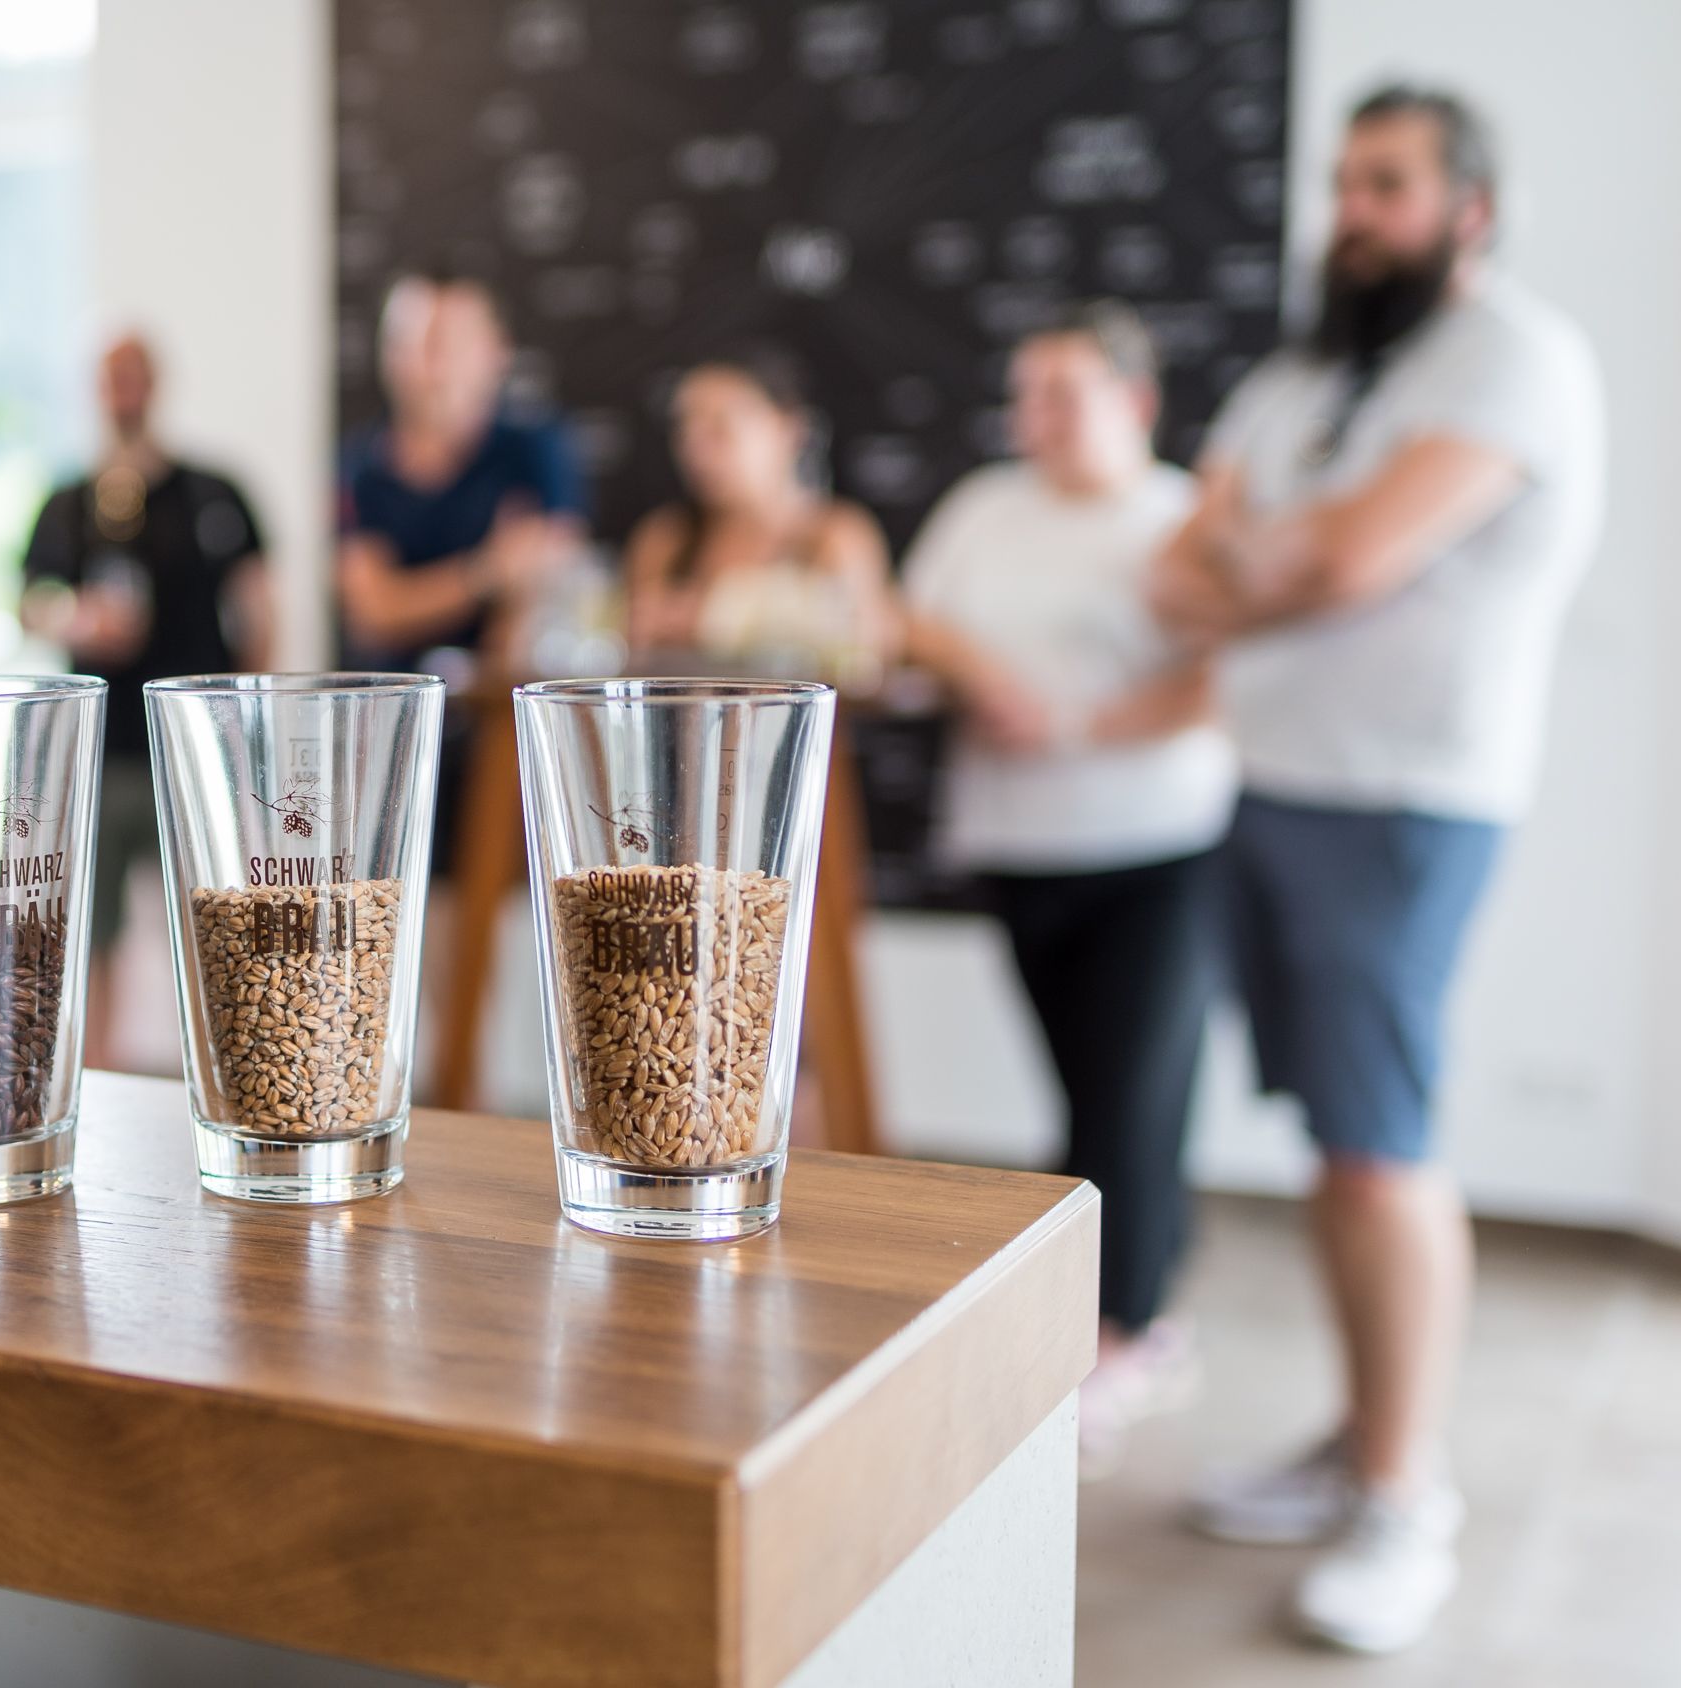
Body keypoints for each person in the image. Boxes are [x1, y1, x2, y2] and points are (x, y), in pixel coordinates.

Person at [1149, 86, 1604, 1654]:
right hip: (1269, 786)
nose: (1353, 209)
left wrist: (1271, 554)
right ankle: (1358, 1443)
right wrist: (1270, 557)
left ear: (1469, 209)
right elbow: (1179, 568)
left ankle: (1409, 1500)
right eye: (1346, 180)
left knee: (1380, 1145)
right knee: (1335, 1144)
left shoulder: (1515, 362)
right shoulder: (1304, 376)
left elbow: (1337, 561)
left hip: (1406, 806)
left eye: (1389, 183)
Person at [900, 304, 1237, 1474]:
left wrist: (1079, 722)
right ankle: (1143, 1305)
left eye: (1064, 394)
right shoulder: (985, 508)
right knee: (1098, 1092)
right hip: (1018, 848)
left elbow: (1224, 676)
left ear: (1135, 402)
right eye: (1024, 393)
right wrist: (979, 673)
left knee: (1124, 1103)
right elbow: (912, 619)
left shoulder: (1185, 516)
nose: (1033, 416)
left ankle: (1111, 1336)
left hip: (1161, 844)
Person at [22, 333, 270, 1070]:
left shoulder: (214, 494)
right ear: (97, 390)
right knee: (89, 934)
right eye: (111, 377)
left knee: (214, 923)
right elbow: (31, 603)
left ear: (155, 384)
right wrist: (77, 619)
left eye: (134, 375)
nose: (124, 390)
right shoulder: (67, 502)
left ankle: (235, 1072)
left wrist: (245, 727)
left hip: (198, 754)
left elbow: (259, 610)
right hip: (101, 754)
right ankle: (92, 1082)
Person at [337, 272, 585, 682]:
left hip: (506, 711)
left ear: (497, 351)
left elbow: (545, 585)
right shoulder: (358, 466)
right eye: (410, 343)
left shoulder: (536, 448)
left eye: (448, 344)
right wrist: (487, 572)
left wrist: (417, 596)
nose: (429, 366)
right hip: (391, 710)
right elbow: (373, 614)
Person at [623, 347, 896, 679]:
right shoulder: (665, 537)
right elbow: (634, 645)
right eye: (686, 429)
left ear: (789, 429)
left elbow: (859, 645)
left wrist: (703, 619)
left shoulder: (834, 532)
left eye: (720, 428)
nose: (695, 450)